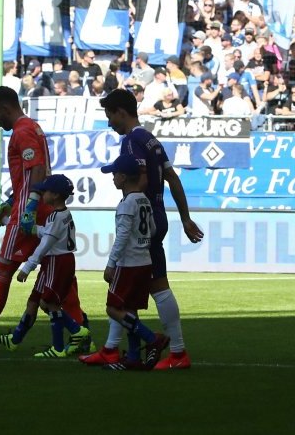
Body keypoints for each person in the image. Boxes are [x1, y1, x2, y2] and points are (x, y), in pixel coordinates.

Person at [85, 88, 203, 370]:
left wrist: (134, 205)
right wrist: (184, 217)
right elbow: (172, 178)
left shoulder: (131, 141)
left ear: (121, 112)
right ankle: (113, 349)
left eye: (109, 115)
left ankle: (176, 352)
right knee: (128, 289)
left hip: (142, 220)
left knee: (155, 286)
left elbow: (141, 179)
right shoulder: (151, 139)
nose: (109, 122)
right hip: (156, 215)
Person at [0, 86, 87, 353]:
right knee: (61, 277)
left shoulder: (22, 130)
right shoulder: (33, 127)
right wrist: (11, 200)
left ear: (5, 107)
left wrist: (28, 206)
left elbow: (36, 169)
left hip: (28, 215)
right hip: (41, 210)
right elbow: (31, 176)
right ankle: (81, 331)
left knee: (2, 272)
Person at [99, 153, 170, 371]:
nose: (112, 178)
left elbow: (121, 237)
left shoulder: (127, 203)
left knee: (113, 309)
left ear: (123, 177)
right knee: (130, 309)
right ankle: (132, 357)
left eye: (114, 174)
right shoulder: (143, 200)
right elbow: (153, 229)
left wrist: (111, 263)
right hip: (144, 261)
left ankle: (151, 338)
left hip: (128, 263)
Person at [10, 174, 89, 358]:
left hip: (57, 261)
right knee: (49, 303)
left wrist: (26, 268)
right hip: (65, 260)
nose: (42, 194)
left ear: (55, 195)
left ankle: (64, 342)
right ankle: (73, 334)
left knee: (48, 303)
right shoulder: (63, 214)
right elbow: (48, 233)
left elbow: (45, 245)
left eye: (45, 191)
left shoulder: (55, 217)